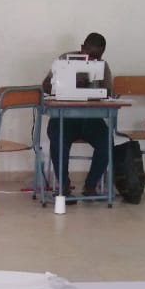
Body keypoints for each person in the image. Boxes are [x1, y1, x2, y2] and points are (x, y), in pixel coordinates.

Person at [41, 32, 113, 197]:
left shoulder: (102, 66)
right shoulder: (64, 60)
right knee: (58, 140)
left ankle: (90, 185)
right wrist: (70, 83)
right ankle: (64, 186)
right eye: (91, 55)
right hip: (64, 118)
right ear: (82, 48)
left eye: (98, 57)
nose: (94, 60)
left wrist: (91, 86)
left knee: (106, 141)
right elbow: (45, 86)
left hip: (91, 119)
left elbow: (108, 92)